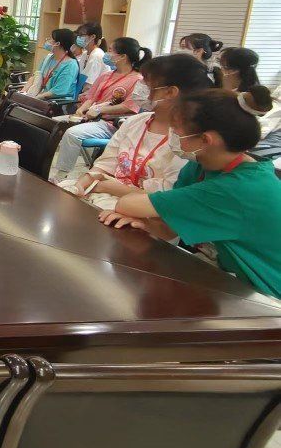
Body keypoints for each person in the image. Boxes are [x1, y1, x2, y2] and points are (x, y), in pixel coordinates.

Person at [100, 86, 281, 299]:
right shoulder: (200, 166)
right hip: (229, 275)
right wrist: (145, 223)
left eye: (177, 132)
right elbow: (170, 230)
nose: (172, 137)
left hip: (264, 295)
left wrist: (140, 212)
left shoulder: (237, 189)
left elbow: (127, 204)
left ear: (206, 140)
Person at [59, 53, 214, 209]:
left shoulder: (187, 140)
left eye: (147, 84)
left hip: (142, 208)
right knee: (63, 193)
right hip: (104, 193)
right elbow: (106, 163)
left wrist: (105, 186)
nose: (140, 88)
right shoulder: (135, 122)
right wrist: (83, 183)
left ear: (170, 92)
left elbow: (166, 196)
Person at [50, 36, 152, 181]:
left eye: (110, 50)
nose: (107, 54)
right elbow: (91, 97)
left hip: (110, 123)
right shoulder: (106, 75)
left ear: (123, 56)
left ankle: (61, 175)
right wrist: (82, 109)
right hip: (89, 117)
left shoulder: (137, 80)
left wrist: (100, 110)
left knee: (72, 134)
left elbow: (129, 107)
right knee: (51, 124)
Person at [33, 28, 79, 100]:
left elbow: (59, 91)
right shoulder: (48, 58)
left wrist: (36, 98)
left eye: (51, 39)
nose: (47, 41)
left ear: (57, 44)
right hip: (41, 97)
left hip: (57, 102)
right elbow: (36, 76)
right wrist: (24, 92)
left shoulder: (71, 65)